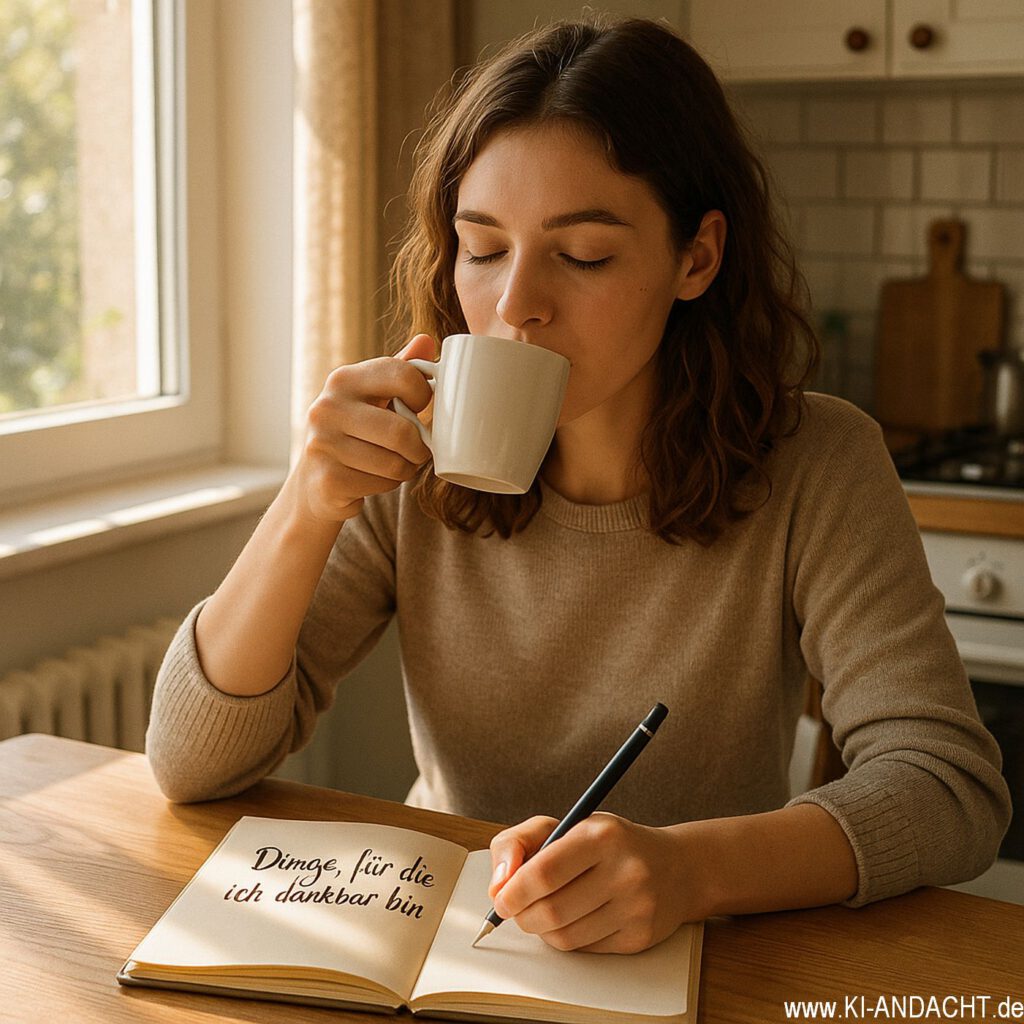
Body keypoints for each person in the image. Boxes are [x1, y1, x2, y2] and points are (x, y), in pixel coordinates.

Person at [147, 16, 1010, 955]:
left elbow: (946, 785)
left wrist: (690, 871)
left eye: (585, 254)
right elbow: (191, 764)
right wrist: (302, 508)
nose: (517, 303)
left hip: (707, 956)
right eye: (482, 249)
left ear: (697, 257)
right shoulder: (413, 456)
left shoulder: (818, 463)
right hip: (447, 942)